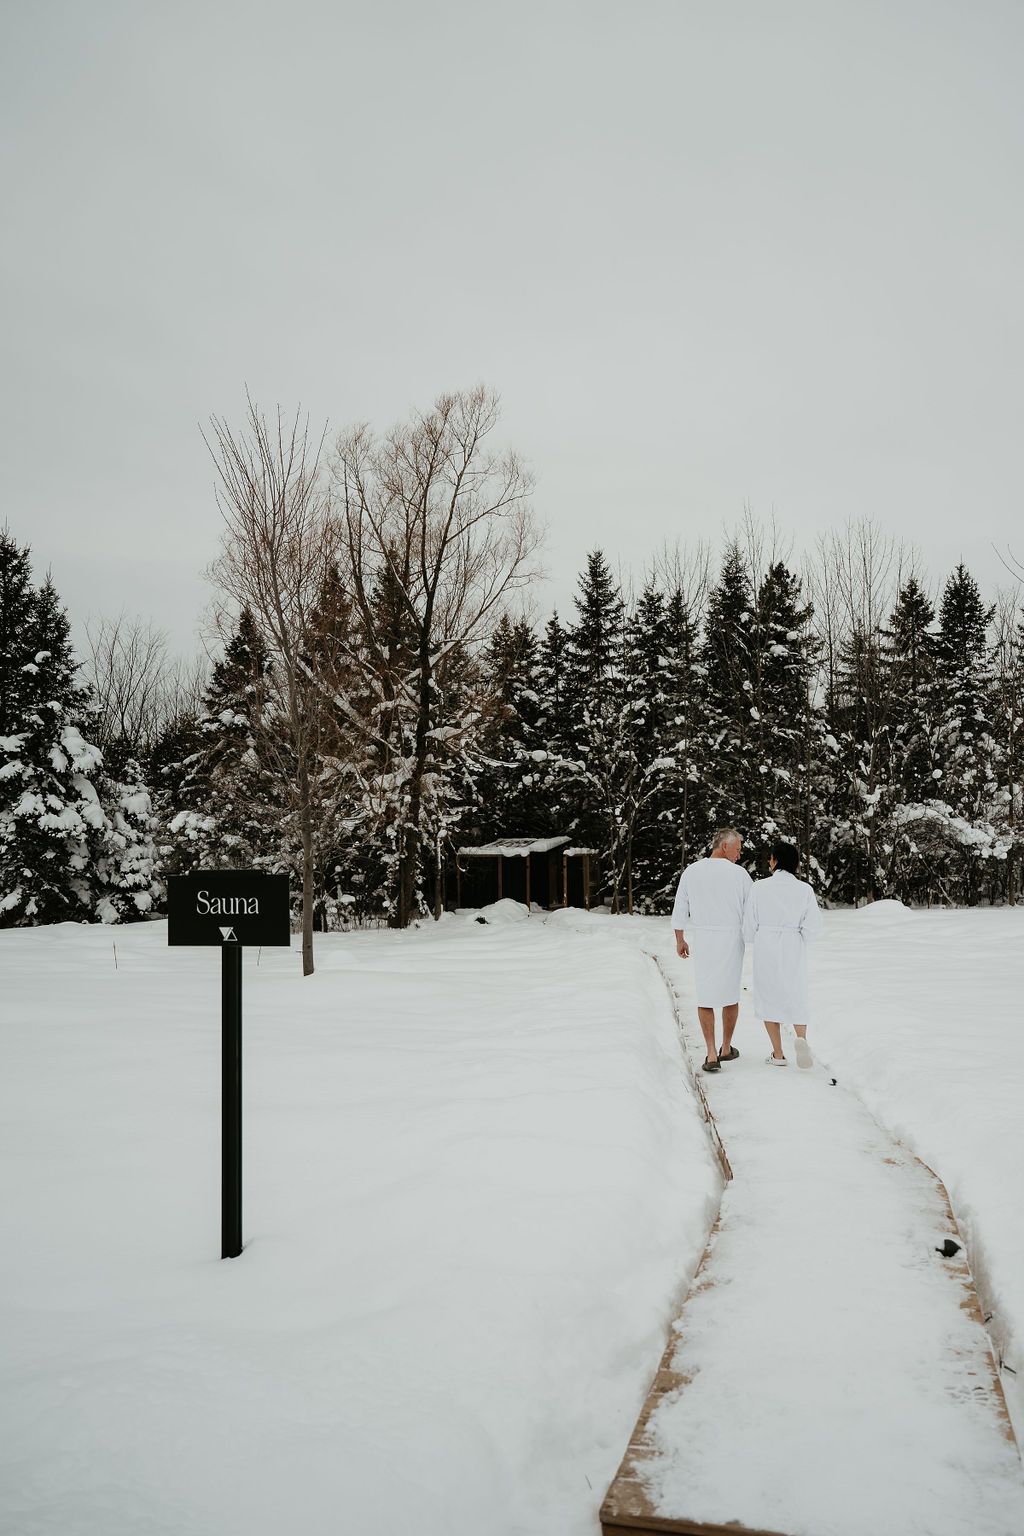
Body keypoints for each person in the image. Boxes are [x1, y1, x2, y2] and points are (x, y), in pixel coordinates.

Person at [672, 827, 753, 1073]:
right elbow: (752, 910)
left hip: (704, 938)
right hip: (731, 938)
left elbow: (680, 906)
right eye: (738, 849)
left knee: (705, 994)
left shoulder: (692, 871)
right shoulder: (740, 875)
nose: (739, 855)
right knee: (730, 993)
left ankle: (710, 1053)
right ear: (724, 846)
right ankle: (726, 1048)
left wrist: (680, 939)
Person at [743, 839, 824, 1067]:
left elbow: (750, 923)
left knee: (769, 995)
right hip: (792, 943)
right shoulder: (804, 889)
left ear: (776, 860)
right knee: (795, 992)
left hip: (766, 943)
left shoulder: (759, 887)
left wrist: (751, 937)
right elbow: (813, 926)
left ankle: (778, 1053)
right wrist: (801, 938)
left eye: (771, 857)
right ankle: (801, 1039)